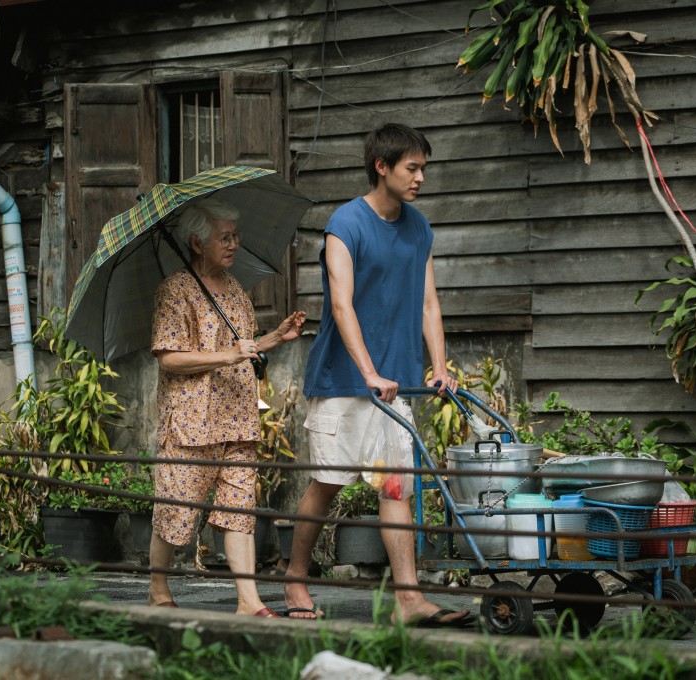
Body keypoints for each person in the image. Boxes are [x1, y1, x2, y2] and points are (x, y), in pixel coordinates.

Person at [283, 123, 470, 627]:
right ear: (381, 167)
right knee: (327, 485)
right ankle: (295, 577)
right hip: (344, 384)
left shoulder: (419, 227)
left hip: (396, 386)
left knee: (395, 490)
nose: (421, 178)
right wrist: (367, 370)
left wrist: (438, 367)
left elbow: (430, 302)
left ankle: (408, 601)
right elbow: (340, 306)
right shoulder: (345, 225)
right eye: (412, 168)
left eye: (424, 168)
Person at [148, 197, 306, 617]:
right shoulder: (174, 291)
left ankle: (248, 601)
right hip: (191, 420)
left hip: (237, 417)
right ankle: (157, 585)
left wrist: (275, 338)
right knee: (177, 507)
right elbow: (168, 357)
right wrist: (225, 356)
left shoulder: (236, 289)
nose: (234, 244)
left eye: (236, 236)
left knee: (239, 511)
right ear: (198, 244)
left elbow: (244, 347)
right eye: (225, 237)